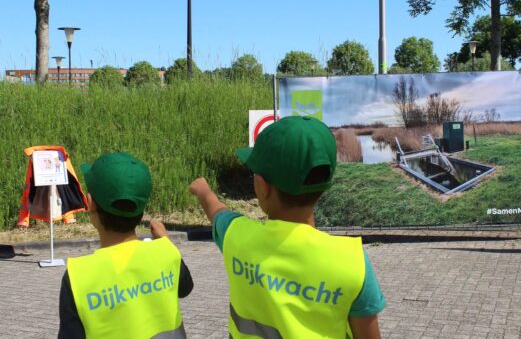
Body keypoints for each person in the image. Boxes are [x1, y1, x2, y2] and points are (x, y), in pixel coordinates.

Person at [189, 116, 386, 339]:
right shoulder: (353, 261)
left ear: (262, 187)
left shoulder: (236, 235)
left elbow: (217, 211)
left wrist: (203, 191)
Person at [58, 152, 194, 339]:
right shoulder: (166, 252)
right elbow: (185, 287)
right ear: (141, 208)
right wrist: (165, 241)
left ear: (90, 203)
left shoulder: (78, 276)